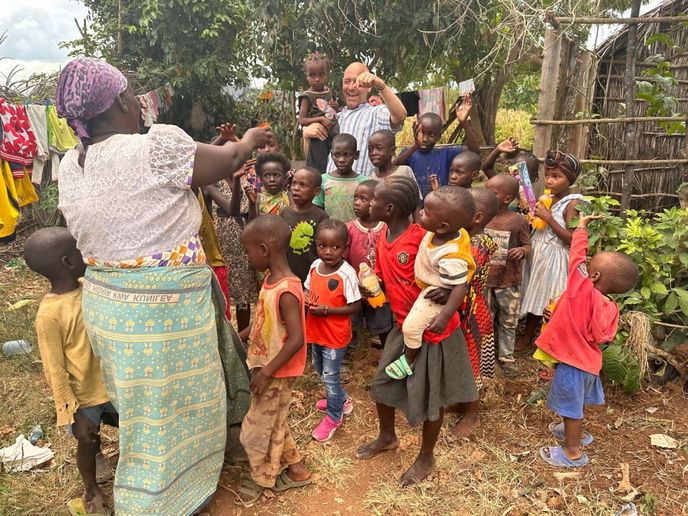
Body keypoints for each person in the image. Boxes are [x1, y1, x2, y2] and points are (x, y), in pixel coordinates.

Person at [55, 57, 266, 514]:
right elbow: (229, 160)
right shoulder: (153, 145)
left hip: (109, 305)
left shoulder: (71, 164)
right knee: (175, 405)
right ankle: (165, 495)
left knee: (143, 402)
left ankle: (185, 466)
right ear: (122, 100)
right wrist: (249, 140)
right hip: (163, 309)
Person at [356, 176, 479, 487]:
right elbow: (388, 276)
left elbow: (456, 267)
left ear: (390, 207)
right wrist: (373, 282)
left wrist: (446, 294)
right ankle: (387, 436)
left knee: (430, 397)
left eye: (374, 200)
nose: (369, 204)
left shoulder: (419, 237)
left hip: (432, 330)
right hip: (403, 325)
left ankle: (426, 455)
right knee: (383, 382)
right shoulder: (385, 234)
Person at [25, 227, 116, 515]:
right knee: (87, 440)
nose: (85, 252)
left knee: (133, 425)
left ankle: (127, 466)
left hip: (112, 384)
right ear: (68, 261)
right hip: (84, 394)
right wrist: (71, 413)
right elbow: (54, 369)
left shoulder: (91, 287)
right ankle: (91, 488)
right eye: (79, 249)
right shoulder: (49, 315)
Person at [537, 214, 639, 467]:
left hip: (573, 364)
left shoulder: (582, 289)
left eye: (590, 265)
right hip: (589, 363)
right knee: (576, 402)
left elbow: (576, 257)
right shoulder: (611, 306)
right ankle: (578, 434)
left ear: (592, 276)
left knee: (571, 408)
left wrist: (581, 228)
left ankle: (572, 452)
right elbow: (598, 331)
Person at [235, 215, 312, 506]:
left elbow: (296, 339)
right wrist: (238, 335)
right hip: (267, 367)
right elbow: (262, 321)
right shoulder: (270, 281)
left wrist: (266, 372)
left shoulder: (288, 290)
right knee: (275, 419)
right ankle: (297, 469)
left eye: (248, 250)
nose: (247, 256)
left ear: (265, 250)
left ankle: (262, 477)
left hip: (277, 372)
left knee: (257, 429)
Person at [386, 186, 476, 379]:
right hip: (434, 280)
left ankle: (409, 359)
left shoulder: (451, 256)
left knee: (411, 327)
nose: (420, 213)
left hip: (437, 290)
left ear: (442, 226)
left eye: (426, 212)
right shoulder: (444, 231)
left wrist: (444, 315)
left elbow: (460, 286)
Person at [519, 151, 585, 349]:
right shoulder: (546, 198)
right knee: (534, 295)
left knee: (548, 300)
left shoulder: (572, 203)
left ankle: (545, 342)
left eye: (556, 177)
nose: (549, 181)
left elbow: (573, 238)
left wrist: (548, 219)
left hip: (554, 257)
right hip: (537, 254)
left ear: (570, 179)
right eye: (547, 175)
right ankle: (528, 338)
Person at [305, 218, 362, 441]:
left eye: (335, 247)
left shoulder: (346, 273)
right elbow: (308, 290)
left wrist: (327, 310)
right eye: (322, 246)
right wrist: (306, 301)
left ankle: (334, 415)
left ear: (345, 249)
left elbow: (356, 306)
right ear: (316, 245)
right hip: (315, 331)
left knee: (330, 377)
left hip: (334, 337)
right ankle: (341, 400)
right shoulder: (313, 267)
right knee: (319, 369)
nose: (328, 252)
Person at [451, 187, 500, 439]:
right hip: (461, 308)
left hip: (471, 311)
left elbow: (462, 276)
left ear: (477, 217)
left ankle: (472, 414)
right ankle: (461, 402)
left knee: (472, 363)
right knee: (460, 359)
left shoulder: (479, 243)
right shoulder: (463, 236)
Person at [304, 62, 407, 177]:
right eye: (347, 82)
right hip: (331, 192)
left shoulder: (375, 113)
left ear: (369, 88)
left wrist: (381, 85)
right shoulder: (334, 118)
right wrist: (307, 136)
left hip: (362, 193)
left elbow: (400, 116)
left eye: (358, 83)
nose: (351, 87)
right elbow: (315, 159)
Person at [484, 174, 532, 374]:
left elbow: (528, 245)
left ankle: (506, 356)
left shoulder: (517, 220)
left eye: (492, 193)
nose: (486, 195)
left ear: (506, 198)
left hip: (509, 281)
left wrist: (521, 251)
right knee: (485, 319)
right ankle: (484, 357)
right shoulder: (480, 216)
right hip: (485, 281)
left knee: (508, 320)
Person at [395, 97, 479, 198]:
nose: (425, 139)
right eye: (422, 133)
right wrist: (415, 146)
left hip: (440, 205)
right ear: (416, 130)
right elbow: (393, 166)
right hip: (416, 209)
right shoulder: (408, 153)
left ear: (438, 136)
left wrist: (464, 122)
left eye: (431, 135)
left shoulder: (446, 154)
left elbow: (474, 151)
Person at [345, 180, 392, 349]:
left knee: (383, 320)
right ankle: (347, 353)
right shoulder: (349, 229)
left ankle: (388, 352)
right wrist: (353, 283)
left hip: (381, 286)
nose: (357, 202)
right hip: (355, 288)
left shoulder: (387, 228)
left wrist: (383, 281)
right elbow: (343, 260)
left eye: (363, 199)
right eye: (355, 198)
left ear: (377, 201)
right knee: (351, 320)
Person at [280, 167, 329, 283]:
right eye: (294, 183)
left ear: (316, 191)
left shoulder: (321, 217)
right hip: (288, 275)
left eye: (303, 185)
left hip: (311, 277)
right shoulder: (285, 213)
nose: (296, 188)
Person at [298, 52, 339, 173]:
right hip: (318, 138)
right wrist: (320, 120)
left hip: (334, 135)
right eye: (312, 75)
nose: (317, 79)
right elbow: (302, 120)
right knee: (317, 170)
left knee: (335, 166)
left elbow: (334, 113)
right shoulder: (307, 96)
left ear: (327, 75)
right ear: (307, 76)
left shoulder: (330, 92)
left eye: (321, 75)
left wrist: (336, 107)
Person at [195, 187, 232, 320]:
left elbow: (232, 209)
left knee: (220, 316)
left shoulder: (203, 189)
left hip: (212, 265)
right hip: (192, 268)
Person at [313, 133, 365, 222]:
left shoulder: (363, 182)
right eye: (337, 155)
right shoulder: (324, 180)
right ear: (331, 154)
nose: (341, 160)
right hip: (330, 232)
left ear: (356, 155)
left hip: (355, 233)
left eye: (347, 155)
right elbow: (317, 208)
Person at [246, 152, 291, 218]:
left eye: (276, 175)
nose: (272, 179)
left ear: (284, 177)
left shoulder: (289, 198)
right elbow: (251, 223)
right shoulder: (256, 198)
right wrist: (253, 205)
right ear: (261, 178)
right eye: (266, 176)